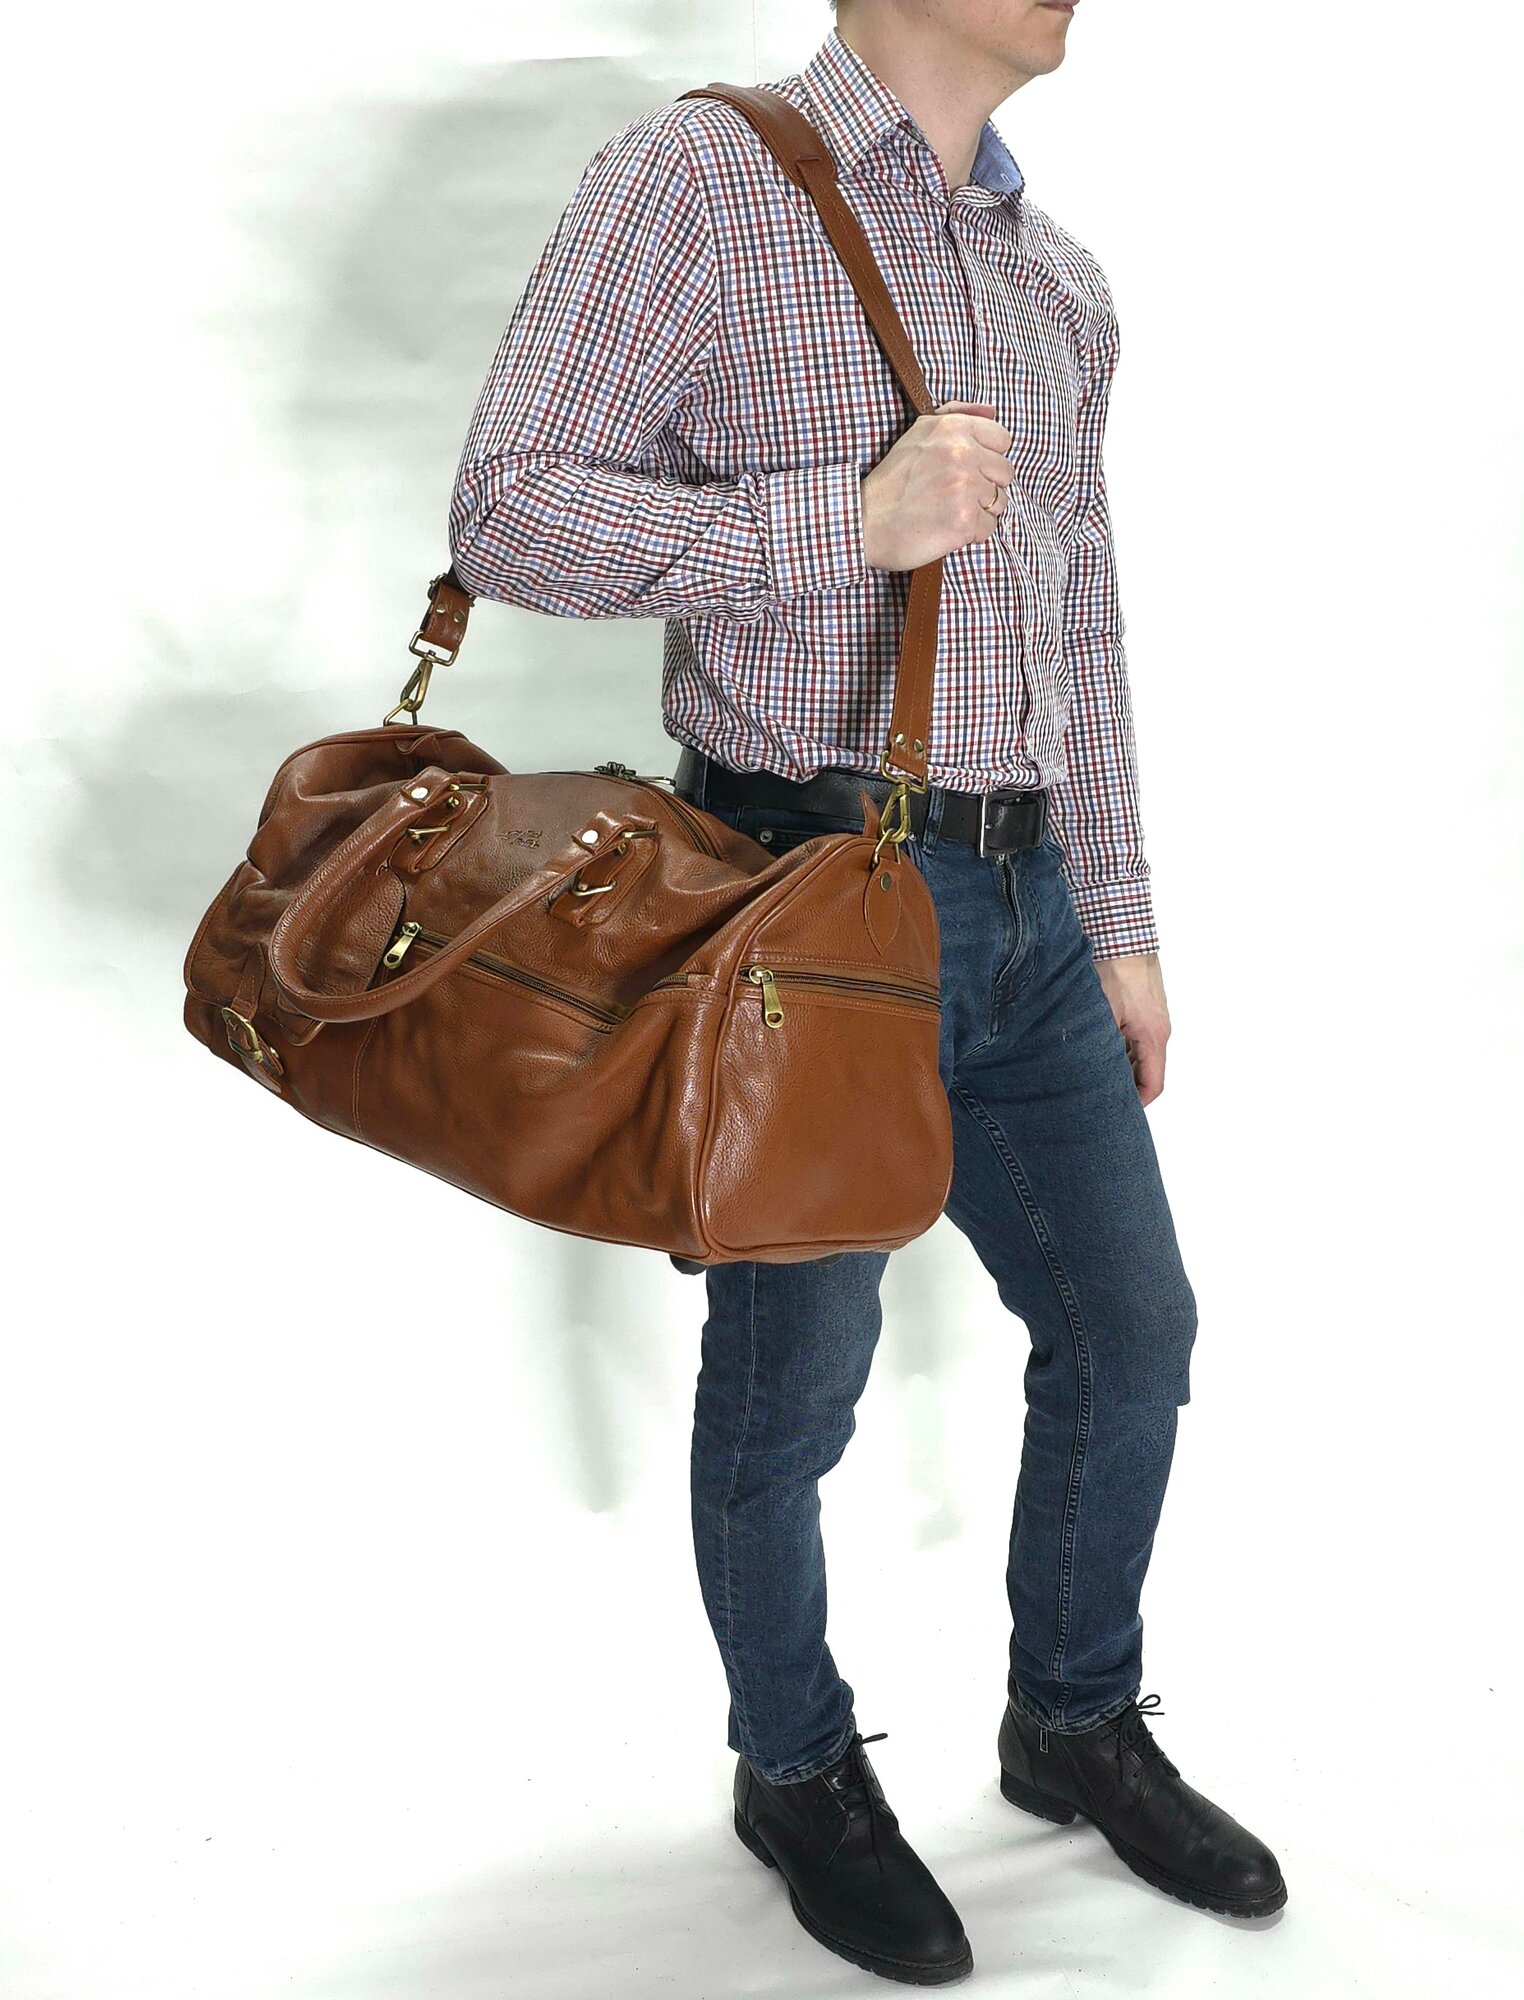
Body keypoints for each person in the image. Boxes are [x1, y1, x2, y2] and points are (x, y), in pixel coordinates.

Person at [448, 0, 1285, 1982]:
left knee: (1131, 1334)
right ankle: (797, 1767)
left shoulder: (1060, 281)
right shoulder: (703, 177)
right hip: (802, 906)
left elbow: (1085, 621)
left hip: (1032, 908)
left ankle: (1071, 1718)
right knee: (791, 1392)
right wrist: (850, 518)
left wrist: (1122, 917)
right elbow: (505, 509)